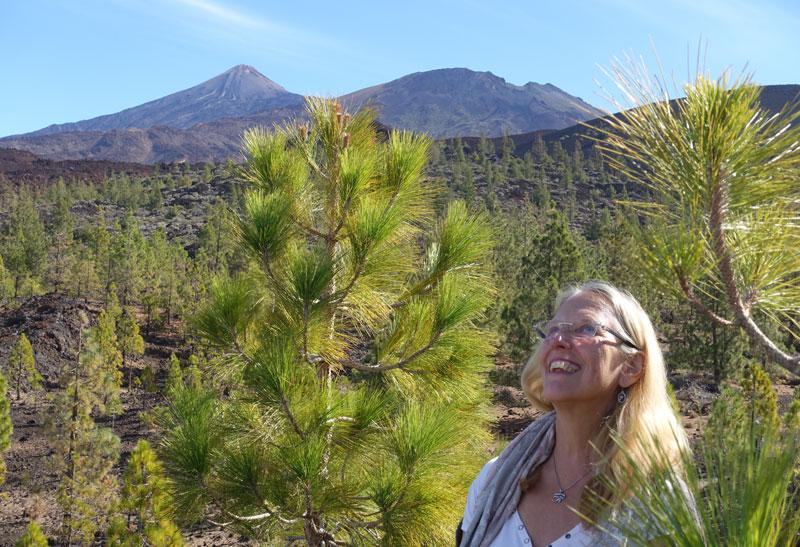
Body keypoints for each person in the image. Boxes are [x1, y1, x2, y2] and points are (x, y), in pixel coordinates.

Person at [459, 281, 689, 546]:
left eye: (586, 329)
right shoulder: (494, 479)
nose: (558, 340)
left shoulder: (655, 501)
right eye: (552, 329)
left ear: (631, 366)